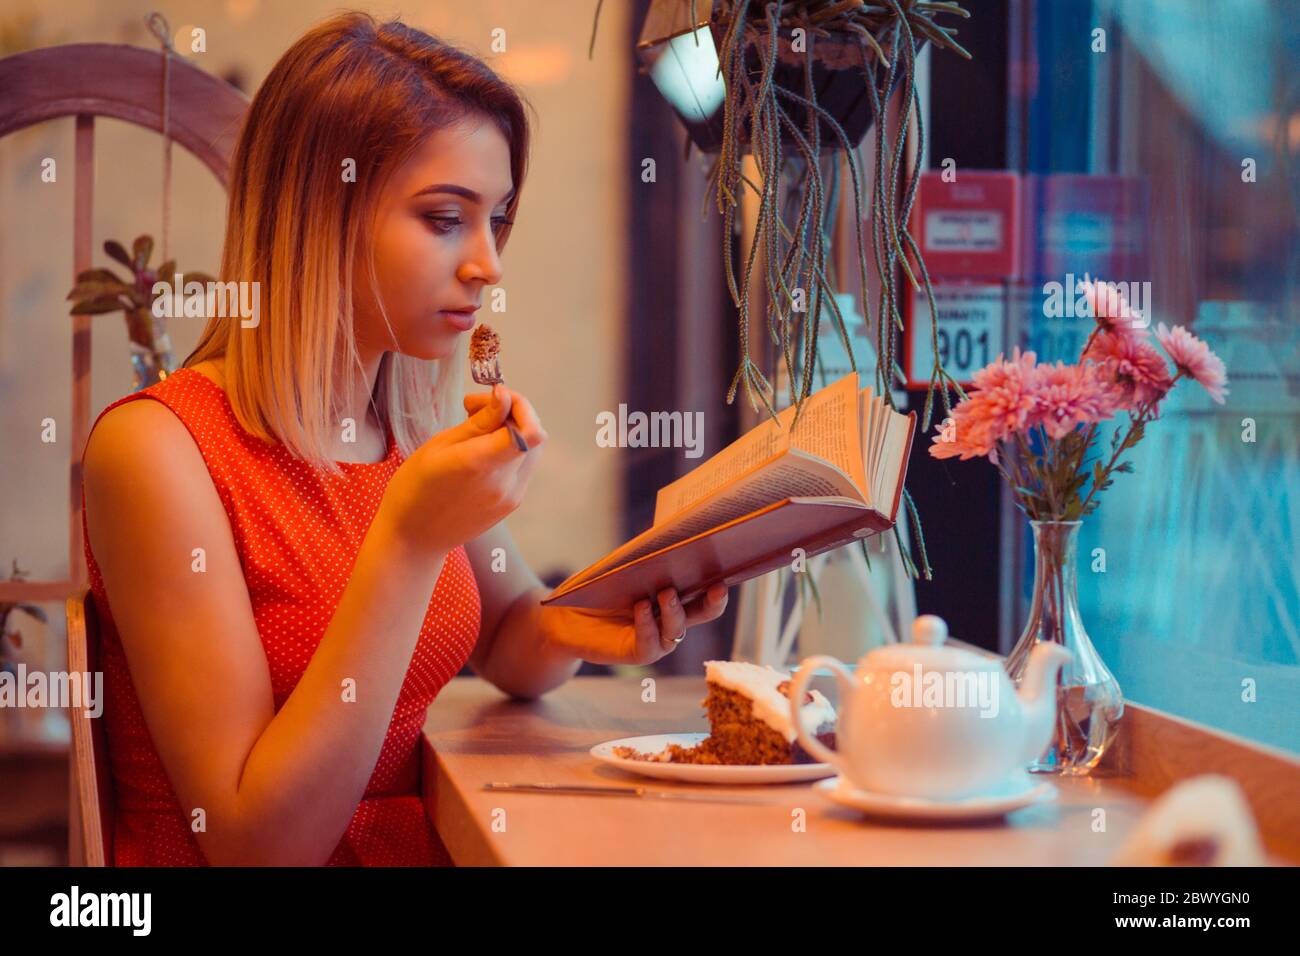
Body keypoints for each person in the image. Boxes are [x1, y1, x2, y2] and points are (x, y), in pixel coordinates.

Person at [80, 12, 729, 867]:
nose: (489, 264)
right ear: (321, 211)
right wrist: (410, 538)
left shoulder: (404, 429)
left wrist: (597, 620)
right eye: (443, 218)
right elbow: (255, 845)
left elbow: (509, 640)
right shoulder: (154, 452)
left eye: (496, 218)